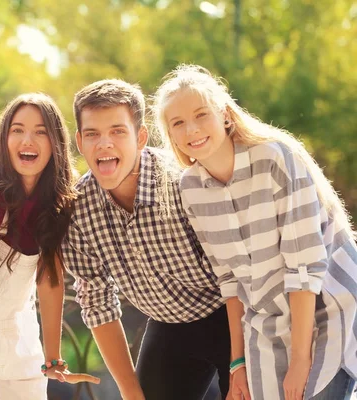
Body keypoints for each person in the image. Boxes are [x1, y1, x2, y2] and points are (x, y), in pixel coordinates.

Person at [153, 64, 357, 400]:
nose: (191, 129)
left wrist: (301, 360)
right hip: (267, 327)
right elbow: (230, 281)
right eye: (178, 123)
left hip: (327, 311)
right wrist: (237, 363)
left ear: (226, 115)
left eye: (201, 114)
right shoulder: (191, 189)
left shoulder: (275, 158)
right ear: (171, 135)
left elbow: (304, 268)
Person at [62, 79, 231, 400]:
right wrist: (130, 391)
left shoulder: (184, 182)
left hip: (229, 312)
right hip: (168, 324)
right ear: (80, 142)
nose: (104, 143)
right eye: (93, 134)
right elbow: (97, 302)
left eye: (117, 131)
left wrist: (240, 362)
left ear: (141, 138)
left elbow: (237, 271)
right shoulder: (77, 208)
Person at [0, 93, 98, 400]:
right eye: (17, 130)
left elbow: (50, 281)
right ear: (4, 139)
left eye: (41, 131)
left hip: (21, 333)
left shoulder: (57, 204)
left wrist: (52, 359)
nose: (28, 139)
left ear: (55, 143)